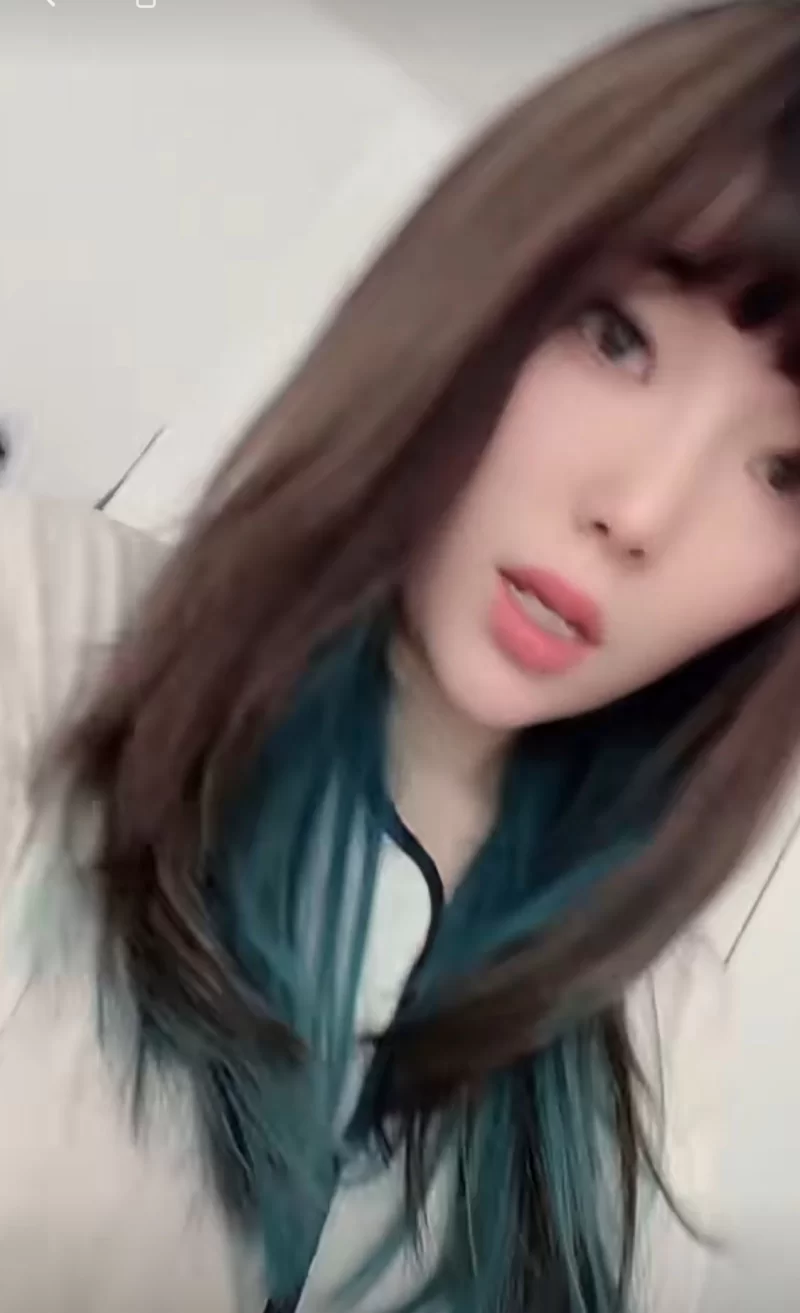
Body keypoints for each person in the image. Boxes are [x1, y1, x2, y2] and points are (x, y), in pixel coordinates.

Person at [4, 2, 800, 1309]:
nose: (641, 511)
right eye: (617, 336)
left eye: (784, 471)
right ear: (482, 284)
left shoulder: (659, 1029)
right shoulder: (36, 620)